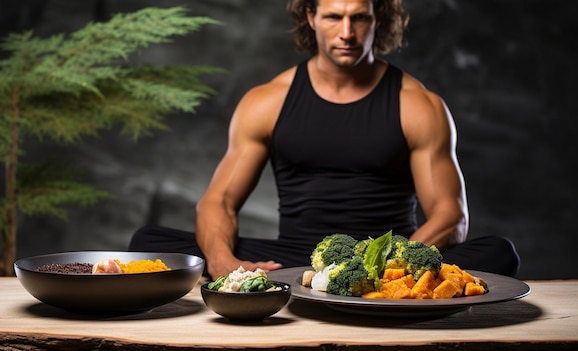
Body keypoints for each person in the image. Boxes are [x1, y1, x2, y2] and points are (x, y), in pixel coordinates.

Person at [129, 0, 520, 279]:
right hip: (294, 257)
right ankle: (299, 284)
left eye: (359, 18)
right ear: (311, 17)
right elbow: (219, 201)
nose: (346, 33)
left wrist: (389, 264)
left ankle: (350, 288)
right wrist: (222, 261)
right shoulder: (268, 101)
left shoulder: (418, 105)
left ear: (378, 16)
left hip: (387, 256)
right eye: (334, 17)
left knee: (497, 252)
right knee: (149, 241)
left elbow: (451, 217)